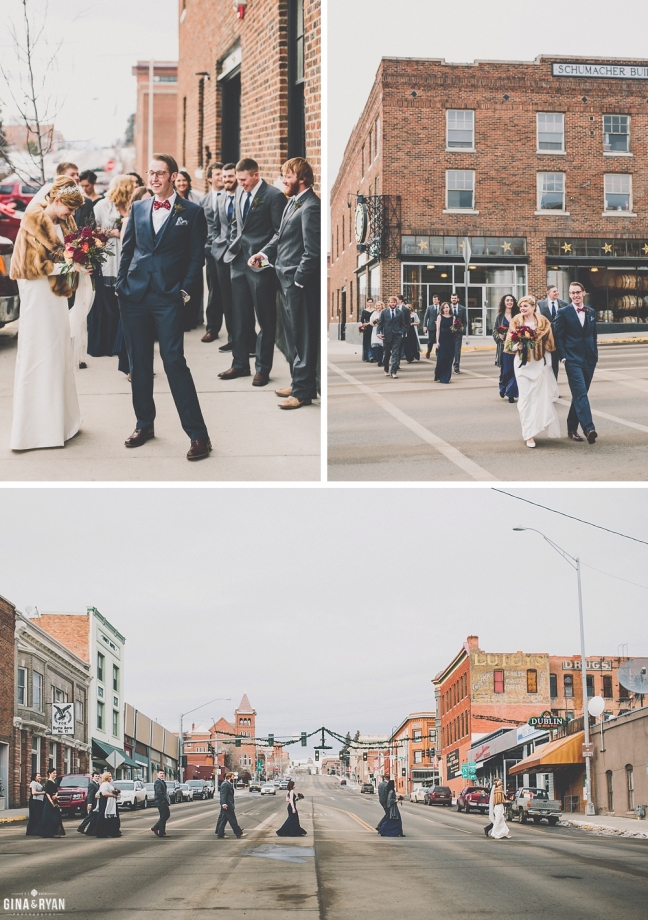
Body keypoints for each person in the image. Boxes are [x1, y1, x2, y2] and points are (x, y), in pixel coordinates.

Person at [116, 153, 212, 461]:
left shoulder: (192, 212)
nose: (155, 178)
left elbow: (197, 257)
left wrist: (184, 291)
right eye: (151, 173)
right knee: (139, 363)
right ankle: (144, 425)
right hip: (134, 295)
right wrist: (121, 285)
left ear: (172, 176)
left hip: (168, 297)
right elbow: (127, 249)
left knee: (174, 362)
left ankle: (199, 436)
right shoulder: (138, 207)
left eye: (161, 173)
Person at [9, 177, 86, 451]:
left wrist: (83, 257)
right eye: (70, 208)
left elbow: (72, 251)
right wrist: (69, 267)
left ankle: (61, 423)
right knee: (38, 353)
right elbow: (31, 268)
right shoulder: (32, 222)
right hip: (37, 294)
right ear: (56, 200)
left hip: (56, 296)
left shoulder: (66, 222)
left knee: (57, 353)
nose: (72, 214)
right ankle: (34, 431)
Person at [249, 156, 321, 407]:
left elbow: (313, 252)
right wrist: (263, 253)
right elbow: (279, 236)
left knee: (302, 338)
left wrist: (298, 281)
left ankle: (302, 393)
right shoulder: (293, 203)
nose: (283, 180)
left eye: (287, 175)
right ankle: (298, 382)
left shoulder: (311, 207)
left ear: (302, 178)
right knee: (292, 338)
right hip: (285, 280)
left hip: (298, 285)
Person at [221, 157, 285, 387]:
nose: (240, 184)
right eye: (238, 180)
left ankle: (262, 369)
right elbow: (236, 225)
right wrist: (232, 245)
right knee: (240, 316)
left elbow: (279, 233)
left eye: (244, 180)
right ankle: (239, 364)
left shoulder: (274, 196)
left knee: (265, 319)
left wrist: (264, 255)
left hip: (260, 264)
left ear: (256, 175)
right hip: (238, 261)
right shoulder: (239, 192)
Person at [87, 174, 133, 362]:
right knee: (105, 302)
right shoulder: (102, 206)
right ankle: (104, 343)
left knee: (121, 301)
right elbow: (92, 231)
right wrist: (114, 232)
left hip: (125, 255)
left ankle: (119, 343)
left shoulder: (132, 206)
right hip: (107, 256)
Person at [505, 295, 560, 449]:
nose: (522, 309)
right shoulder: (516, 321)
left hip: (538, 364)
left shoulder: (543, 322)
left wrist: (548, 365)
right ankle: (528, 434)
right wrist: (518, 347)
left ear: (533, 307)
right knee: (524, 399)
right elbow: (508, 345)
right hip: (522, 365)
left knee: (539, 398)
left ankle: (537, 426)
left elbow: (550, 345)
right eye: (521, 306)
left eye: (525, 306)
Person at [553, 281, 599, 444]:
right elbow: (558, 336)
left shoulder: (591, 311)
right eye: (572, 293)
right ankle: (589, 428)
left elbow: (593, 334)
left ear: (583, 293)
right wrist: (563, 357)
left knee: (580, 395)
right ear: (570, 295)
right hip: (572, 360)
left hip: (589, 359)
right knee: (580, 394)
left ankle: (571, 427)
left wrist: (595, 354)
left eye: (578, 292)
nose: (575, 295)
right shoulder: (563, 312)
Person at [208, 163, 246, 356]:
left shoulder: (243, 197)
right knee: (226, 300)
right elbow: (215, 224)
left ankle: (246, 340)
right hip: (221, 256)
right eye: (224, 177)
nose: (227, 180)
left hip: (240, 256)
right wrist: (216, 243)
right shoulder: (221, 198)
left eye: (231, 176)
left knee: (241, 301)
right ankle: (233, 339)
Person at [174, 170, 205, 328]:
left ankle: (193, 318)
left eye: (184, 180)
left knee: (194, 284)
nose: (181, 184)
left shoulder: (197, 200)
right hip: (179, 249)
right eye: (179, 181)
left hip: (193, 246)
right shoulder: (172, 201)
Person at [201, 162, 225, 343]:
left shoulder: (234, 196)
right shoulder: (204, 201)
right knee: (214, 291)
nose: (221, 177)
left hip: (230, 252)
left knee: (231, 293)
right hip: (211, 252)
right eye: (217, 174)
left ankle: (235, 333)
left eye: (222, 174)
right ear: (209, 178)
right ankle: (212, 328)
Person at [30, 162, 94, 228]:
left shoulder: (70, 221)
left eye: (77, 174)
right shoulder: (35, 221)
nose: (77, 177)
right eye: (72, 175)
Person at [538, 285, 568, 379]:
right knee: (546, 363)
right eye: (554, 291)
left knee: (555, 364)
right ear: (548, 293)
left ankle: (554, 387)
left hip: (559, 338)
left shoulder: (564, 304)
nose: (557, 293)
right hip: (546, 338)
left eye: (557, 291)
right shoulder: (540, 304)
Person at [493, 294, 520, 402]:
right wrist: (499, 336)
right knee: (505, 371)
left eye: (511, 300)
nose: (509, 302)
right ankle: (503, 387)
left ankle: (511, 393)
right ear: (504, 302)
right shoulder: (499, 316)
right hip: (503, 348)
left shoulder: (518, 316)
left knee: (514, 371)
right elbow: (494, 331)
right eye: (507, 300)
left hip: (516, 347)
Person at [376, 296, 407, 378]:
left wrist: (401, 332)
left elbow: (402, 325)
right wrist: (378, 333)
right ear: (388, 303)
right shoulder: (384, 312)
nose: (393, 304)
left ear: (396, 303)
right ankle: (386, 369)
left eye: (394, 302)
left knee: (395, 354)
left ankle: (393, 372)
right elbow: (380, 324)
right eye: (391, 302)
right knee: (386, 354)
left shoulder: (400, 312)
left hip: (397, 336)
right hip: (386, 336)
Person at [215, 772, 247, 839]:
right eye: (233, 777)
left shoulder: (228, 784)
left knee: (223, 820)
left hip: (227, 805)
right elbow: (223, 795)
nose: (234, 778)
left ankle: (220, 833)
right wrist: (223, 804)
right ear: (229, 777)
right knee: (233, 820)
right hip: (227, 806)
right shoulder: (225, 784)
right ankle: (239, 833)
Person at [36, 768, 65, 838]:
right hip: (49, 802)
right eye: (53, 773)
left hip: (55, 801)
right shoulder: (48, 783)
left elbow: (56, 791)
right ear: (49, 773)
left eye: (55, 773)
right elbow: (47, 793)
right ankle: (50, 833)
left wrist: (56, 796)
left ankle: (55, 832)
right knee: (50, 818)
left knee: (57, 817)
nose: (55, 774)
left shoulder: (54, 782)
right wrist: (52, 802)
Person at [434, 302, 454, 384]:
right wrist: (437, 342)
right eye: (445, 307)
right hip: (442, 339)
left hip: (450, 339)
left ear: (450, 308)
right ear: (442, 309)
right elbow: (438, 330)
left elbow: (454, 328)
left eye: (447, 307)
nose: (446, 309)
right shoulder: (439, 317)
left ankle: (446, 377)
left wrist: (456, 329)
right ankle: (439, 374)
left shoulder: (453, 317)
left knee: (449, 359)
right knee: (441, 358)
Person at [96, 772, 121, 837]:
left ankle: (112, 832)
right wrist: (113, 795)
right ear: (106, 777)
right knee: (103, 816)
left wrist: (116, 792)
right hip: (105, 802)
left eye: (111, 776)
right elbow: (103, 793)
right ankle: (102, 833)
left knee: (112, 818)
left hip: (111, 802)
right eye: (109, 776)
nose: (111, 778)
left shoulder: (109, 784)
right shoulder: (104, 784)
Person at [450, 293, 467, 373]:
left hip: (458, 333)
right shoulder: (447, 308)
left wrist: (462, 329)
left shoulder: (462, 309)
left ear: (458, 299)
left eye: (455, 298)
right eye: (452, 298)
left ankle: (456, 366)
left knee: (457, 350)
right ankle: (448, 366)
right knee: (449, 350)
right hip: (449, 333)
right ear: (451, 299)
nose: (454, 299)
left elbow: (465, 321)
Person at [151, 769, 170, 838]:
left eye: (163, 773)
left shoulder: (162, 781)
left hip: (163, 801)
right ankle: (161, 832)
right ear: (157, 774)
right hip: (161, 801)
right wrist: (162, 800)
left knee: (166, 815)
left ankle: (156, 827)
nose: (162, 774)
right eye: (160, 773)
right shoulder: (158, 782)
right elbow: (158, 792)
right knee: (164, 816)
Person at [359, 298, 374, 362]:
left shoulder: (374, 311)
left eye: (371, 302)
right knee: (367, 342)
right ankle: (369, 356)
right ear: (367, 303)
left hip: (373, 327)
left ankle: (373, 355)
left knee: (373, 342)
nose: (370, 303)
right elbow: (362, 321)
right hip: (367, 328)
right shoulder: (364, 311)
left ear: (373, 303)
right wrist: (363, 326)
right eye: (369, 302)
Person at [370, 302, 385, 366]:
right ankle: (379, 360)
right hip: (376, 330)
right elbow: (371, 322)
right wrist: (374, 324)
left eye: (380, 305)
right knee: (376, 346)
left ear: (382, 306)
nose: (378, 307)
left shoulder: (384, 312)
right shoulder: (374, 313)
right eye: (377, 305)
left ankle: (383, 359)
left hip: (383, 330)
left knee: (383, 346)